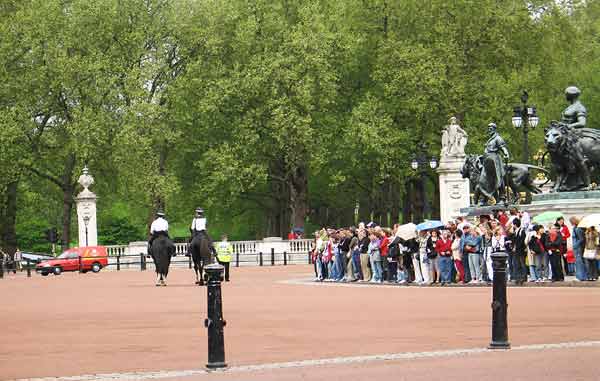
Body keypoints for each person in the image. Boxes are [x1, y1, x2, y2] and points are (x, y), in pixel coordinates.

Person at [570, 216, 588, 281]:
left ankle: (580, 276)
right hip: (578, 247)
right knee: (580, 262)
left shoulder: (578, 229)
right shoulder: (577, 228)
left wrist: (575, 245)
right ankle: (582, 276)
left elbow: (581, 239)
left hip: (578, 248)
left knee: (579, 262)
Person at [511, 218, 527, 284]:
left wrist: (516, 247)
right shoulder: (516, 231)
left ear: (515, 224)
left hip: (521, 250)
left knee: (522, 264)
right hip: (517, 250)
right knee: (517, 264)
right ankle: (518, 277)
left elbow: (522, 241)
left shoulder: (521, 231)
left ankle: (524, 277)